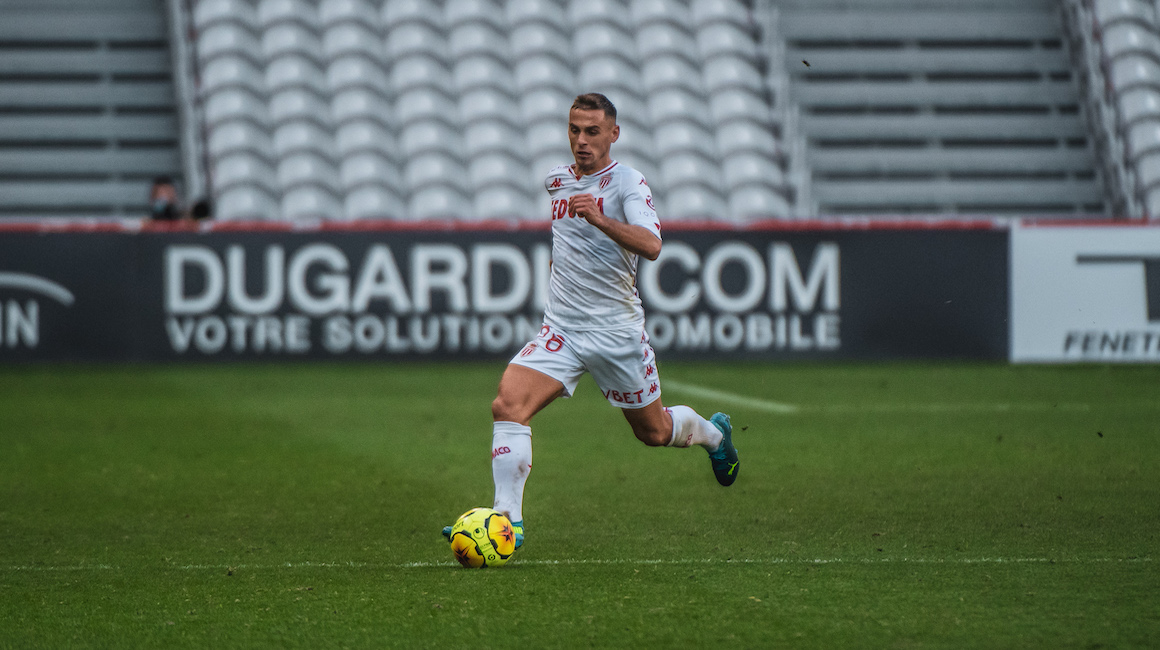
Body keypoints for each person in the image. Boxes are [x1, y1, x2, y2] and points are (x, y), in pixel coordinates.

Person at [444, 93, 739, 550]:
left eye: (592, 131)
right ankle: (506, 523)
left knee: (654, 432)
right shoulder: (556, 181)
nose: (581, 140)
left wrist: (600, 219)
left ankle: (715, 435)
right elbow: (568, 240)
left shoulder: (628, 182)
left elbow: (652, 245)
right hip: (561, 329)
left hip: (616, 333)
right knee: (508, 405)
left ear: (613, 134)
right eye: (574, 130)